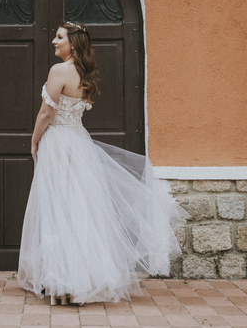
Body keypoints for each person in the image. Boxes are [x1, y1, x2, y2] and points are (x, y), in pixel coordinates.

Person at [16, 21, 187, 305]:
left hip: (58, 142)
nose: (54, 42)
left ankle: (62, 282)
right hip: (79, 142)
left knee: (58, 207)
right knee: (80, 208)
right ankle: (78, 281)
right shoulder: (83, 73)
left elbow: (46, 113)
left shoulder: (59, 71)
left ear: (73, 43)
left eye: (59, 37)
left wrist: (34, 142)